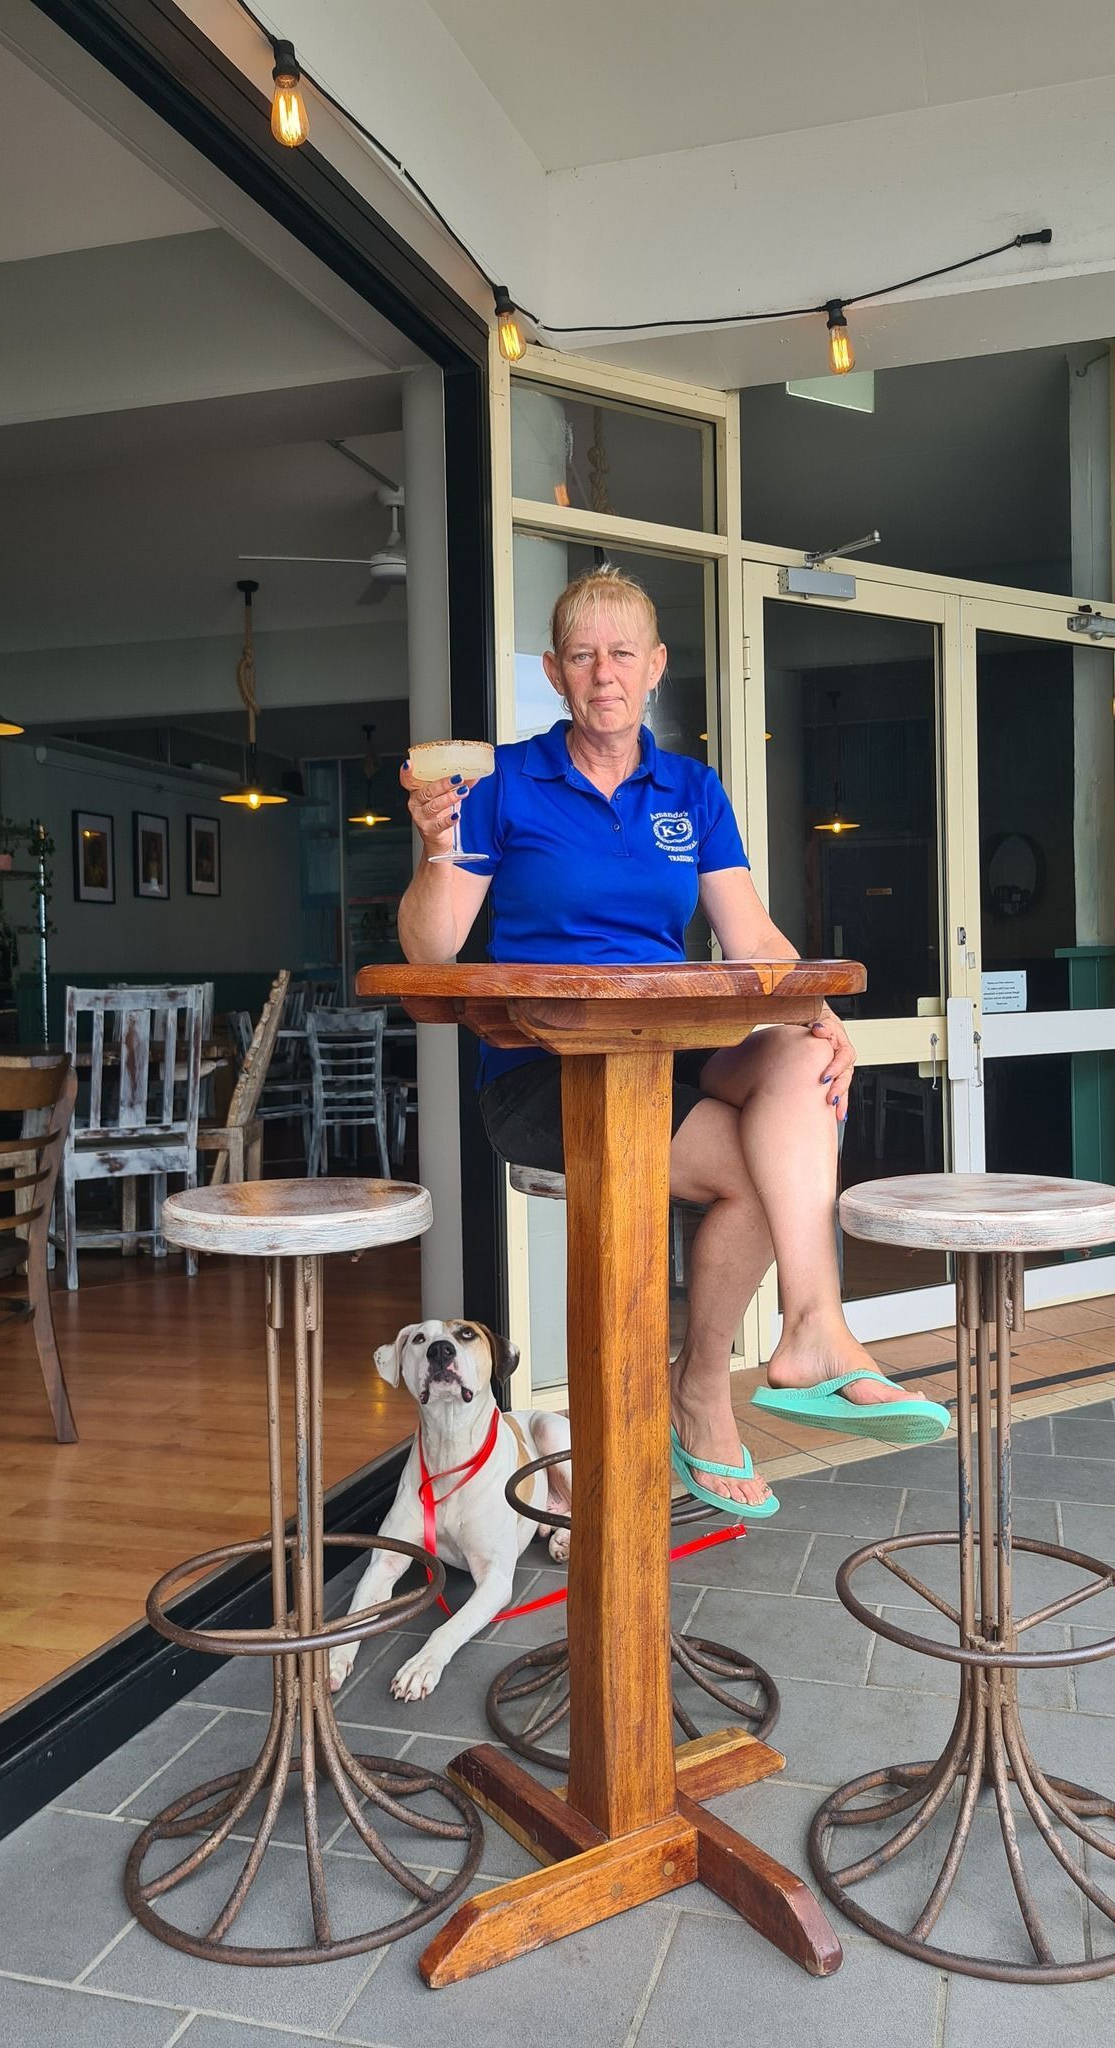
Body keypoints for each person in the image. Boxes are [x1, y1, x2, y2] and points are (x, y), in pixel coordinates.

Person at [396, 566, 948, 1512]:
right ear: (554, 672)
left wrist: (823, 1017)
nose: (603, 673)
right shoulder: (503, 783)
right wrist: (438, 850)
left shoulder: (689, 788)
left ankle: (812, 1326)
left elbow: (752, 938)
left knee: (803, 1058)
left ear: (654, 667)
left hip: (673, 1046)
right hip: (545, 1071)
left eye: (621, 653)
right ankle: (704, 1389)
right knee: (758, 1168)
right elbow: (431, 948)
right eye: (582, 655)